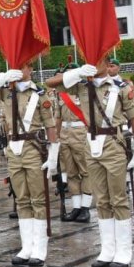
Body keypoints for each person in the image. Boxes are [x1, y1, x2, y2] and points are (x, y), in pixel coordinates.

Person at [46, 57, 134, 267]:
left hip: (113, 144)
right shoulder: (82, 84)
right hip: (90, 144)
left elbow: (133, 118)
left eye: (99, 62)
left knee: (118, 198)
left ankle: (123, 252)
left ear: (107, 64)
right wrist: (78, 72)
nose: (95, 65)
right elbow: (50, 83)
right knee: (101, 199)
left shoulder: (121, 87)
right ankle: (108, 250)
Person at [0, 64, 58, 266]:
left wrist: (54, 153)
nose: (20, 70)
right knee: (21, 199)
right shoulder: (6, 91)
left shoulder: (39, 94)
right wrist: (4, 75)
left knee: (37, 199)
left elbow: (50, 125)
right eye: (16, 67)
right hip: (14, 149)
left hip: (33, 147)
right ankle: (26, 246)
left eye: (23, 67)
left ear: (30, 69)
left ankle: (40, 248)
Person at [53, 61, 92, 223]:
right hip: (65, 134)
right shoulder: (61, 93)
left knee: (85, 171)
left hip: (81, 132)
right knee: (71, 172)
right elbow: (58, 116)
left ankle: (85, 208)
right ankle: (76, 207)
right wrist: (55, 137)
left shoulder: (85, 88)